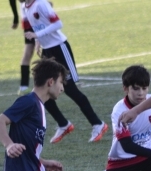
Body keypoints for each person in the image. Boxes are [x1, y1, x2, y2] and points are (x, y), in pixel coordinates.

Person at [22, 0, 108, 143]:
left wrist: (37, 35)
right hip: (47, 51)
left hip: (60, 48)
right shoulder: (26, 7)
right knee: (42, 90)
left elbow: (58, 24)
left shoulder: (41, 3)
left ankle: (98, 124)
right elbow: (39, 25)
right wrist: (38, 41)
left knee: (70, 89)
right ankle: (63, 124)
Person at [9, 0, 38, 95]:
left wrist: (15, 18)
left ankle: (23, 86)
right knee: (48, 48)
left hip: (29, 18)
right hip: (34, 18)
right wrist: (15, 18)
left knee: (29, 51)